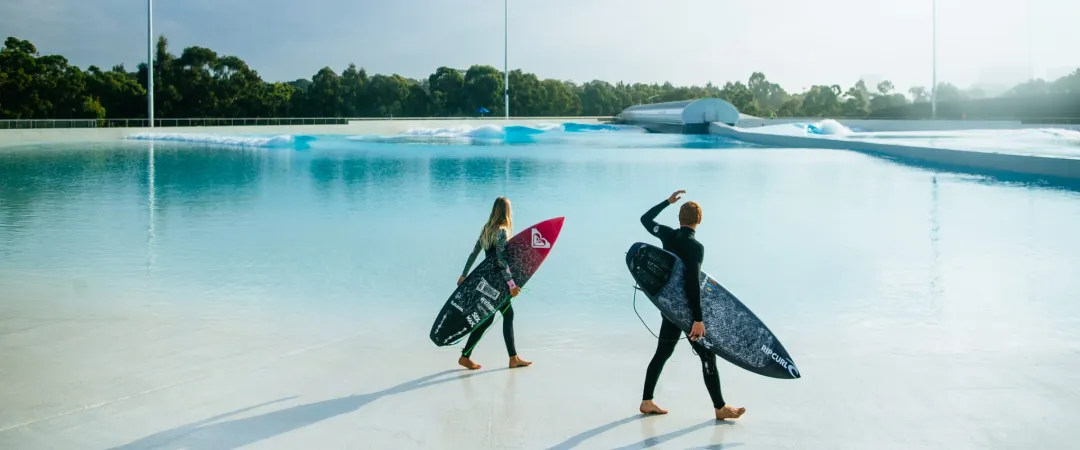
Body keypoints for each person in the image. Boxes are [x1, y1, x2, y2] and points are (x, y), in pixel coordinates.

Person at [637, 189, 746, 420]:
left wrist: (667, 201)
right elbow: (692, 283)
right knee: (707, 356)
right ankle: (720, 408)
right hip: (686, 313)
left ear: (680, 219)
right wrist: (697, 319)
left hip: (668, 309)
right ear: (699, 221)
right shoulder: (696, 248)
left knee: (662, 353)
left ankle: (647, 401)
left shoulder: (667, 235)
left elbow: (645, 219)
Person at [456, 196, 533, 371]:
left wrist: (464, 274)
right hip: (499, 283)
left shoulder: (486, 229)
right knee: (507, 315)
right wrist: (512, 285)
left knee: (488, 318)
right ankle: (512, 358)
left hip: (486, 280)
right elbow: (501, 261)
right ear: (507, 212)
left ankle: (465, 356)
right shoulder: (502, 231)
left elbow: (474, 253)